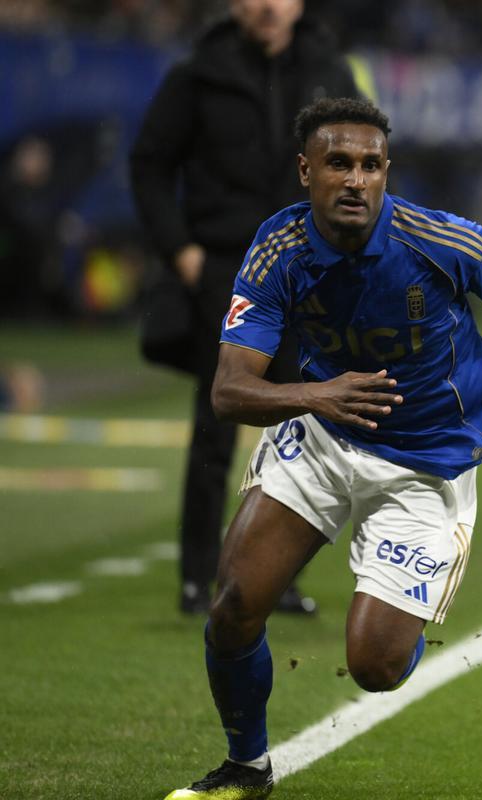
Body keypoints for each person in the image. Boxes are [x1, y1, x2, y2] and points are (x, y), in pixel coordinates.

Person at [163, 97, 482, 800]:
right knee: (235, 606)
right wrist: (317, 397)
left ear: (386, 172)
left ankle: (409, 616)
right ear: (306, 171)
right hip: (324, 433)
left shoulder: (434, 239)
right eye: (338, 163)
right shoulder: (277, 249)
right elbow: (229, 390)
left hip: (427, 464)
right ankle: (246, 767)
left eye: (371, 165)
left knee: (374, 666)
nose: (356, 180)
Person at [130, 0, 359, 616]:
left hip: (309, 269)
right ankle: (197, 577)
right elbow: (148, 165)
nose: (267, 6)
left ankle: (274, 578)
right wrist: (182, 253)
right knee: (218, 421)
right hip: (227, 270)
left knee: (300, 428)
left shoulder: (329, 68)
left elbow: (367, 159)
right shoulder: (199, 73)